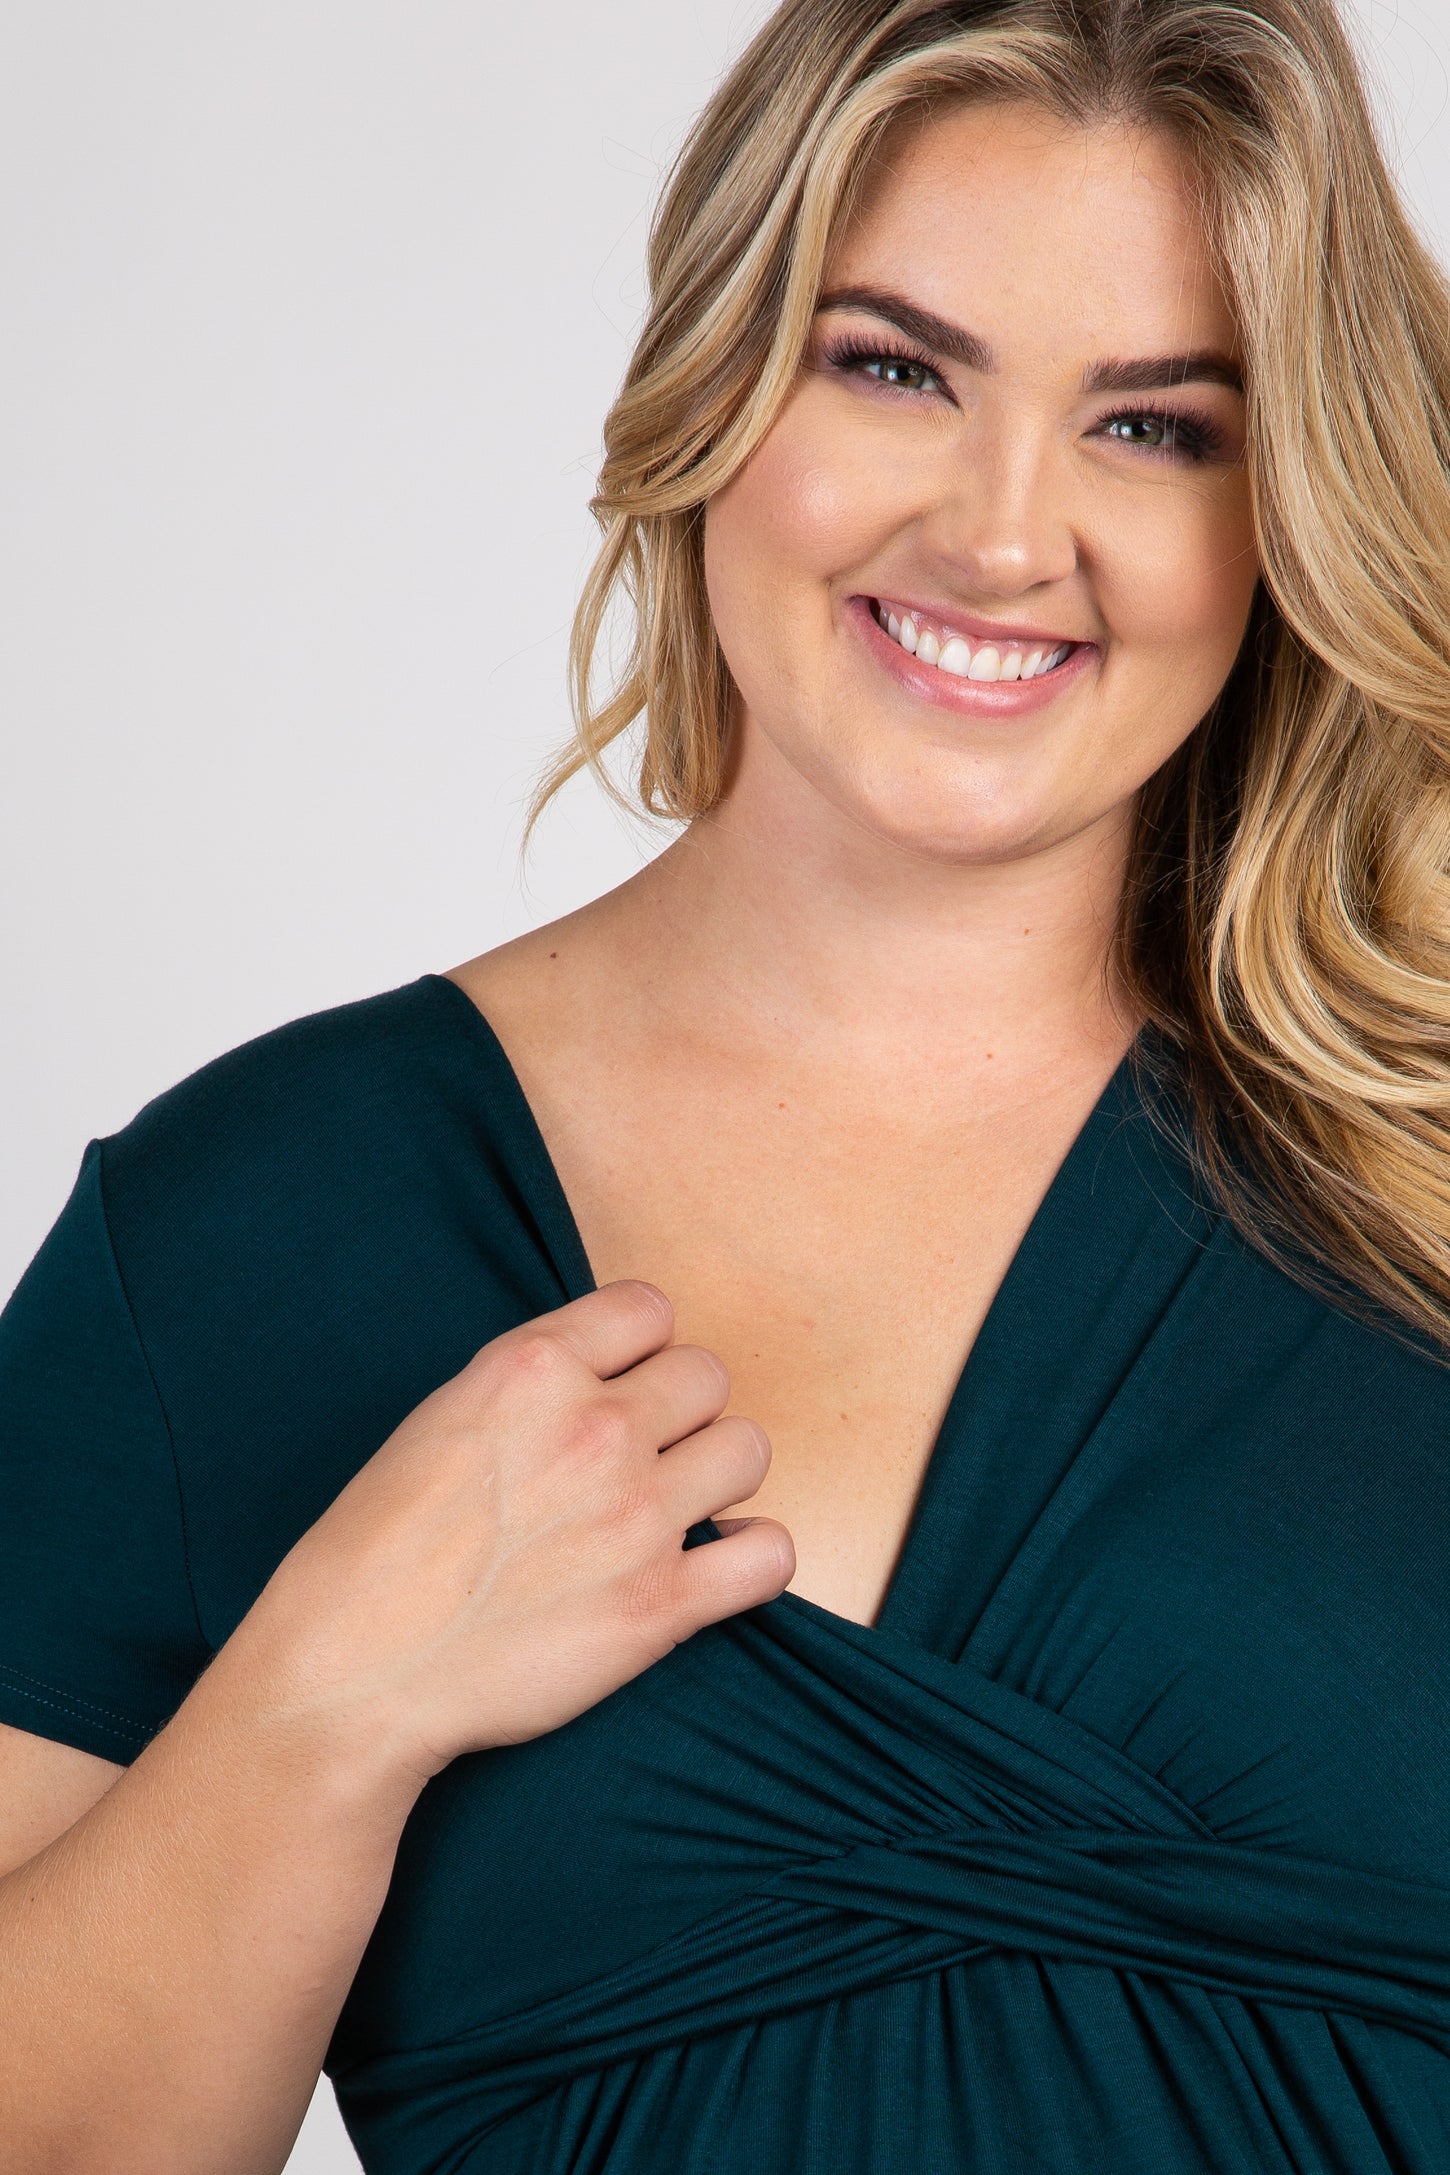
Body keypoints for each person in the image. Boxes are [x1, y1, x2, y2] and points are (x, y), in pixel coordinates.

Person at [4, 0, 1450, 2167]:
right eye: (894, 369)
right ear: (715, 382)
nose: (1002, 535)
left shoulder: (1421, 1184)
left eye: (1152, 426)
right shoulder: (259, 1226)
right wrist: (324, 1706)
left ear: (1284, 508)